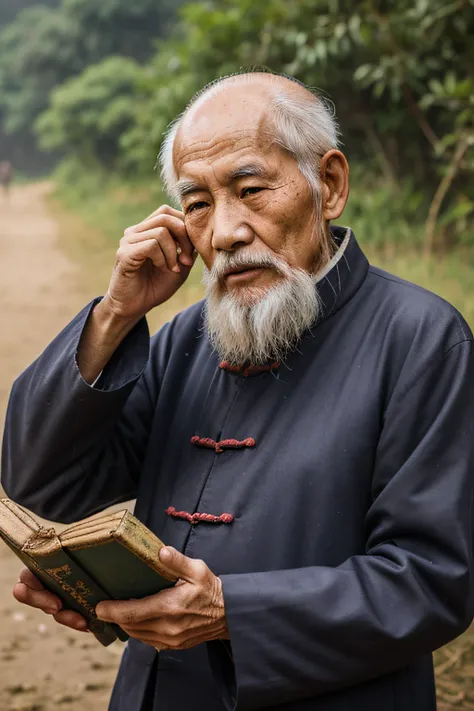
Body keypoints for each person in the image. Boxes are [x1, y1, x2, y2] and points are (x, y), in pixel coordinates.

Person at [2, 71, 474, 711]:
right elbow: (41, 479)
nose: (225, 231)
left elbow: (431, 580)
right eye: (197, 204)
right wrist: (115, 313)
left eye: (251, 190)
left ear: (328, 185)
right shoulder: (186, 338)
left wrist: (230, 612)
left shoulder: (422, 340)